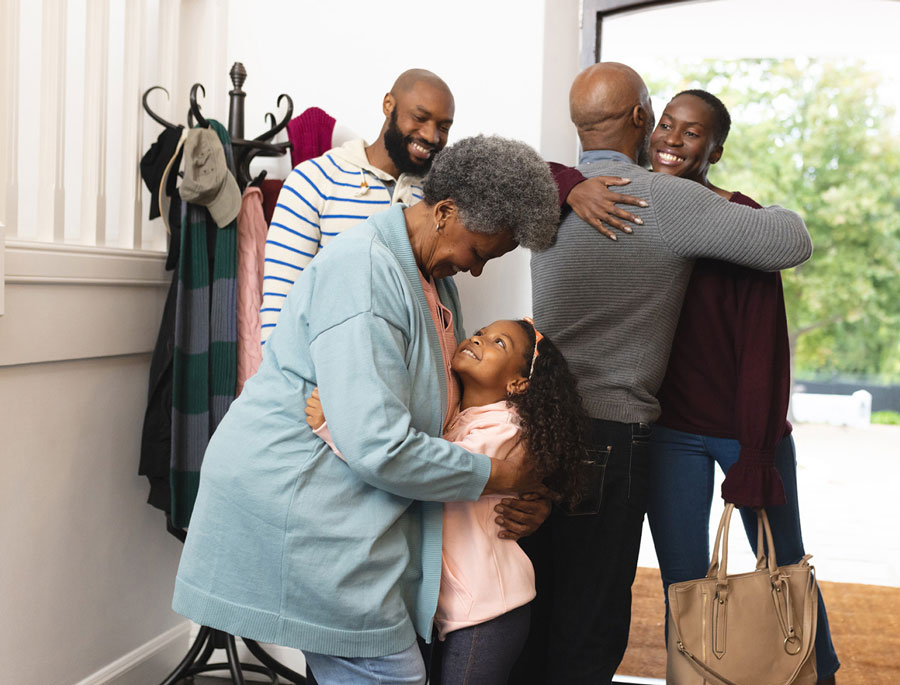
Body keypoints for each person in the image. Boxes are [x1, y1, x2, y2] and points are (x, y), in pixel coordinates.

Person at [171, 135, 562, 685]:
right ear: (445, 213)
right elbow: (381, 445)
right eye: (479, 253)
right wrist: (499, 475)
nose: (476, 271)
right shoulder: (365, 273)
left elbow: (442, 418)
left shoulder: (432, 280)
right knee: (389, 676)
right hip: (298, 501)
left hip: (348, 509)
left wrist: (522, 486)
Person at [515, 62, 814, 685]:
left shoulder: (542, 196)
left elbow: (479, 177)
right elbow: (789, 242)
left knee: (531, 599)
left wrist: (566, 180)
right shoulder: (670, 201)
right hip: (614, 436)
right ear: (642, 119)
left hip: (531, 426)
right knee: (591, 620)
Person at [646, 89, 840, 683]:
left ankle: (816, 675)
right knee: (685, 584)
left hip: (746, 431)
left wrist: (755, 453)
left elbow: (764, 348)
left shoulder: (739, 218)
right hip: (670, 433)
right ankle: (701, 675)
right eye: (666, 124)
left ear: (716, 150)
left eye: (693, 132)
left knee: (785, 572)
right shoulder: (632, 205)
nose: (673, 139)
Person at [305, 317, 590, 685]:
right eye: (481, 333)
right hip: (456, 607)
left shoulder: (507, 429)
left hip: (489, 611)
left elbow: (427, 471)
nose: (478, 339)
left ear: (518, 383)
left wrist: (336, 429)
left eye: (498, 344)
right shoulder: (459, 417)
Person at [260, 68, 455, 344]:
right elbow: (281, 306)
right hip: (326, 376)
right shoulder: (314, 180)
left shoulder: (438, 199)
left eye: (444, 127)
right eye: (420, 118)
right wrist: (292, 385)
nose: (432, 136)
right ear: (389, 104)